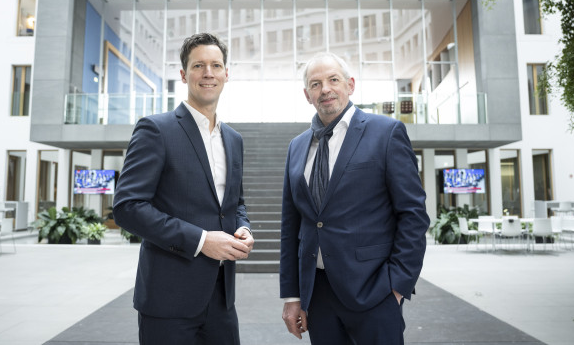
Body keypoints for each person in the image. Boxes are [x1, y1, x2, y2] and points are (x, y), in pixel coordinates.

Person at [113, 32, 254, 345]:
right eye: (198, 65)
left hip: (221, 299)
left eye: (216, 65)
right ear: (183, 74)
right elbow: (127, 207)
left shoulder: (234, 139)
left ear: (226, 74)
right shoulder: (156, 129)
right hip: (168, 300)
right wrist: (201, 240)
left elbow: (235, 203)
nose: (208, 73)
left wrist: (242, 227)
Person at [280, 52, 429, 344]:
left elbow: (413, 214)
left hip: (375, 291)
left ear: (350, 84)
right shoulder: (296, 147)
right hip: (318, 295)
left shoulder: (386, 133)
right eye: (316, 83)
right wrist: (292, 295)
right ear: (307, 95)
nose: (325, 89)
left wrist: (396, 286)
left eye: (333, 80)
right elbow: (291, 227)